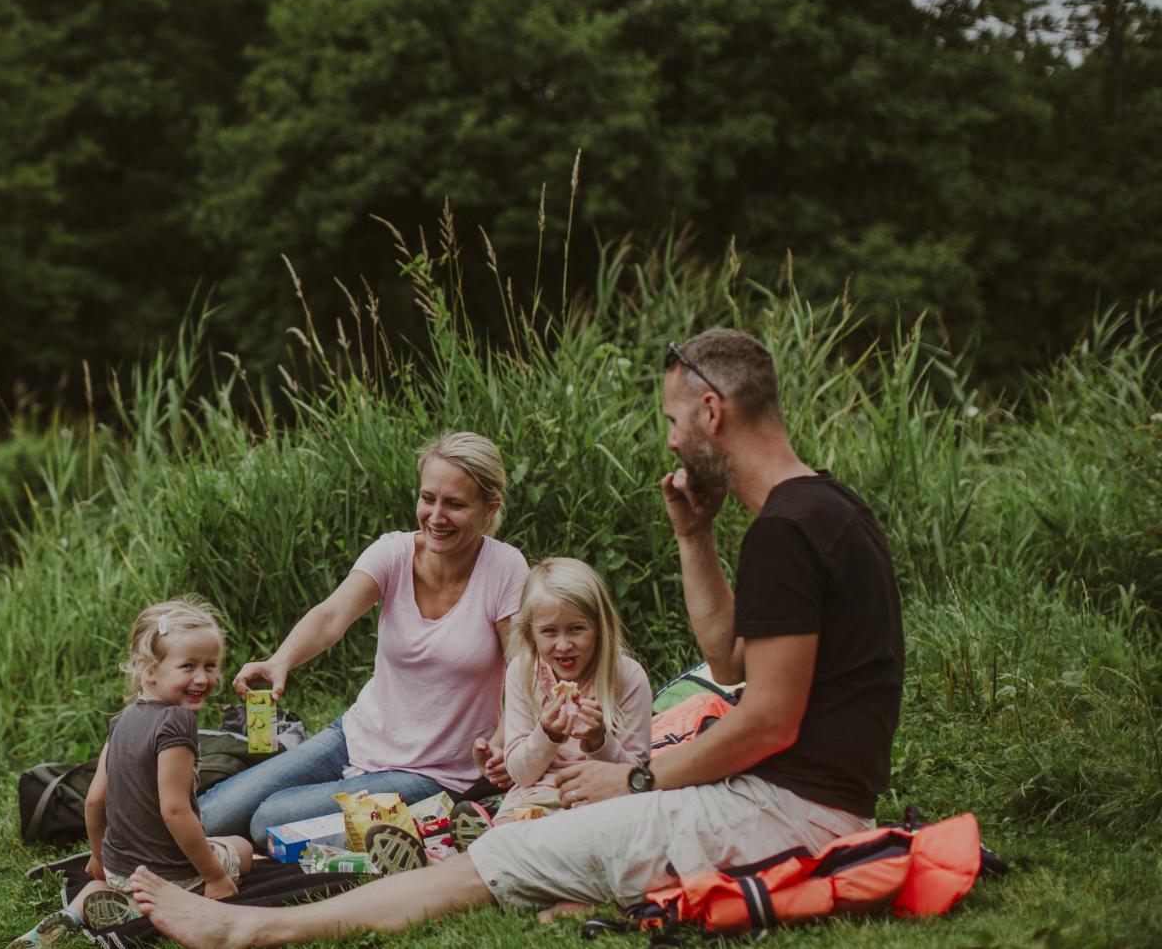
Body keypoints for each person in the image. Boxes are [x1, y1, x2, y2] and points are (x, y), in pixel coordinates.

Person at [129, 328, 903, 947]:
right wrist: (695, 540)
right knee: (504, 847)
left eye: (672, 420)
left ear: (711, 411)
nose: (670, 442)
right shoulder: (827, 509)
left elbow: (768, 718)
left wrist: (636, 779)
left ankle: (248, 927)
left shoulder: (785, 532)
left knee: (490, 861)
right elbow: (732, 661)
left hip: (781, 811)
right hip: (801, 801)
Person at [196, 433, 529, 845]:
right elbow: (332, 615)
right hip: (356, 736)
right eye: (429, 498)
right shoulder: (393, 552)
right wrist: (280, 660)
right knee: (213, 816)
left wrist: (502, 739)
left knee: (269, 823)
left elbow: (523, 665)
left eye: (455, 504)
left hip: (435, 772)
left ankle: (426, 819)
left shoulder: (505, 568)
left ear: (489, 508)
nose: (436, 516)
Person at [8, 598, 257, 948]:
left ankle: (75, 914)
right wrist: (214, 877)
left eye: (211, 665)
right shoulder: (177, 722)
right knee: (242, 848)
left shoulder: (122, 720)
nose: (203, 678)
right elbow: (175, 811)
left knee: (105, 885)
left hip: (119, 869)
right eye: (188, 666)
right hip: (173, 875)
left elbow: (95, 799)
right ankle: (148, 905)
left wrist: (97, 857)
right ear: (148, 668)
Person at [492, 557, 651, 823]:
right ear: (531, 633)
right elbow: (521, 775)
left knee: (611, 826)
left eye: (577, 629)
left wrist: (600, 741)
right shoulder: (522, 672)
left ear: (600, 627)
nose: (564, 645)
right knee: (507, 833)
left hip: (602, 794)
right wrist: (547, 734)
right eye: (550, 632)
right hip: (537, 795)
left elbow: (637, 776)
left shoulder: (628, 676)